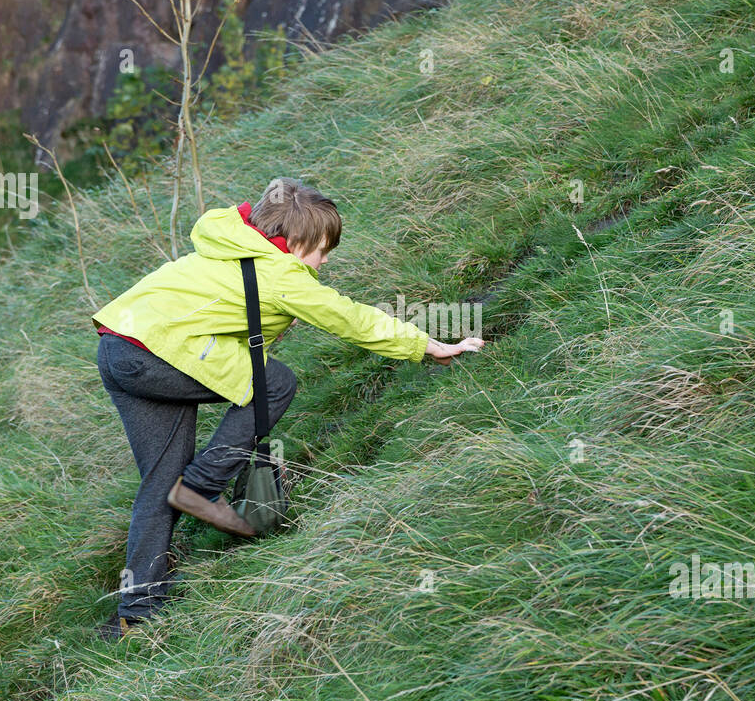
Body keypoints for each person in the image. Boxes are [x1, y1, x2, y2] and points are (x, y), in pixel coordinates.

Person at [92, 178, 484, 638]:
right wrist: (426, 346)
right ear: (296, 243)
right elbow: (349, 318)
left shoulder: (229, 244)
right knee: (275, 382)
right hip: (157, 354)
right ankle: (202, 485)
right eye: (322, 251)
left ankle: (134, 616)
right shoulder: (280, 273)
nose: (323, 262)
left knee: (161, 482)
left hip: (119, 350)